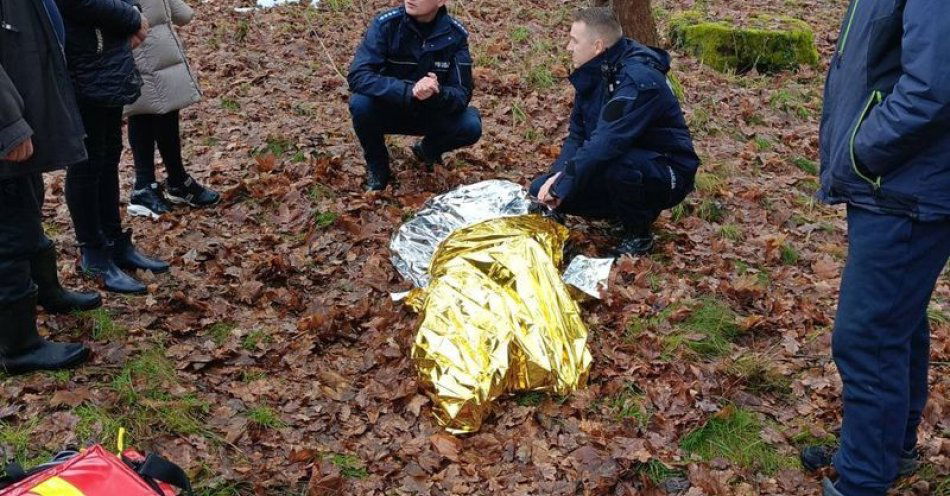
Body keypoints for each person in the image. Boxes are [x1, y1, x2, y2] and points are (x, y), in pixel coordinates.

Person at [801, 1, 950, 495]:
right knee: (896, 323)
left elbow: (932, 87)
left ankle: (864, 480)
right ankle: (888, 449)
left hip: (905, 185)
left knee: (868, 335)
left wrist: (864, 150)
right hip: (895, 181)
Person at [530, 8, 699, 256]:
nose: (568, 47)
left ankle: (638, 234)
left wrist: (563, 185)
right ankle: (606, 213)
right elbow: (578, 135)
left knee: (619, 165)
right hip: (618, 162)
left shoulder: (638, 79)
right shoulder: (593, 72)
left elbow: (606, 143)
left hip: (667, 171)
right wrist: (556, 179)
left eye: (574, 41)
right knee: (539, 189)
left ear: (597, 46)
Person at [1, 0, 96, 374]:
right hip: (8, 119)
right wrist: (7, 124)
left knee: (27, 208)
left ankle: (46, 292)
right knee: (8, 230)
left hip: (23, 103)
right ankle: (19, 347)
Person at [56, 0, 170, 295]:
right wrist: (131, 16)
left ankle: (114, 241)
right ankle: (93, 252)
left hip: (108, 58)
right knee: (88, 161)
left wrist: (132, 14)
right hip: (82, 61)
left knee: (108, 153)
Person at [347, 0, 482, 191]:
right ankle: (378, 166)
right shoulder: (386, 25)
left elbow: (462, 94)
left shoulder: (455, 35)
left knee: (470, 124)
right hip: (390, 108)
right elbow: (358, 76)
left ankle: (428, 150)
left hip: (430, 112)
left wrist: (437, 93)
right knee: (360, 104)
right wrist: (408, 90)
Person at [124, 0, 219, 219]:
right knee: (143, 110)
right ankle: (144, 186)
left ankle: (177, 180)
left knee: (167, 110)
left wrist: (179, 10)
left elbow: (180, 15)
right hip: (139, 43)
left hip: (158, 43)